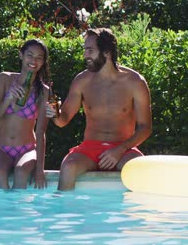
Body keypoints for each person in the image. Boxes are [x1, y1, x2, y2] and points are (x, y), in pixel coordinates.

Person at [50, 28, 152, 190]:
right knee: (68, 167)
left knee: (139, 172)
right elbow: (62, 120)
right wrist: (53, 111)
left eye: (90, 50)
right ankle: (65, 212)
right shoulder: (81, 80)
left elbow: (145, 128)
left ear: (107, 52)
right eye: (85, 50)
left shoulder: (135, 82)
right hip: (90, 148)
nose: (85, 56)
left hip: (123, 148)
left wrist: (120, 149)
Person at [0, 39, 49, 189]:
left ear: (43, 62)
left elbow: (41, 131)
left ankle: (18, 212)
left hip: (27, 149)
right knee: (0, 173)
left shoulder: (43, 91)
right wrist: (8, 99)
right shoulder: (5, 79)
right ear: (21, 55)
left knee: (21, 172)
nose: (33, 60)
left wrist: (40, 171)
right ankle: (5, 211)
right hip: (2, 148)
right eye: (30, 55)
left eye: (39, 57)